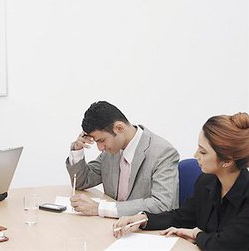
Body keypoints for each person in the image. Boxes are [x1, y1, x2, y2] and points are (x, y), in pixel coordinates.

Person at [113, 112, 249, 250]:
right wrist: (143, 219)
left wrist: (197, 235)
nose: (196, 155)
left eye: (203, 152)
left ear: (227, 161)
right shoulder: (206, 182)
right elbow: (182, 216)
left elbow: (224, 245)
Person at [67, 101, 179, 217]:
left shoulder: (163, 153)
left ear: (119, 128)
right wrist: (77, 149)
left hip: (145, 230)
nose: (100, 148)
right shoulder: (111, 151)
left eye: (101, 140)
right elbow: (82, 182)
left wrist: (100, 208)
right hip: (113, 226)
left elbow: (162, 204)